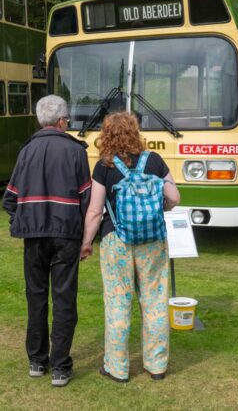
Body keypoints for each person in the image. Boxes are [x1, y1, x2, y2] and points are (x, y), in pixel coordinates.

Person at [80, 111, 180, 382]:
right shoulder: (155, 161)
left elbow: (94, 211)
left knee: (117, 303)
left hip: (116, 241)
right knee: (155, 301)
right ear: (135, 132)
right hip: (153, 241)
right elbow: (174, 196)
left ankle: (117, 367)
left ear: (106, 134)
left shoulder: (104, 166)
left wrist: (86, 243)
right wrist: (162, 206)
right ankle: (156, 365)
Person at [2, 95, 92, 387]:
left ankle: (37, 361)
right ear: (62, 120)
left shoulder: (26, 150)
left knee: (36, 297)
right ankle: (60, 367)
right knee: (64, 299)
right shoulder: (75, 151)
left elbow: (10, 198)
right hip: (66, 234)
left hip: (33, 236)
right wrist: (87, 237)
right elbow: (87, 198)